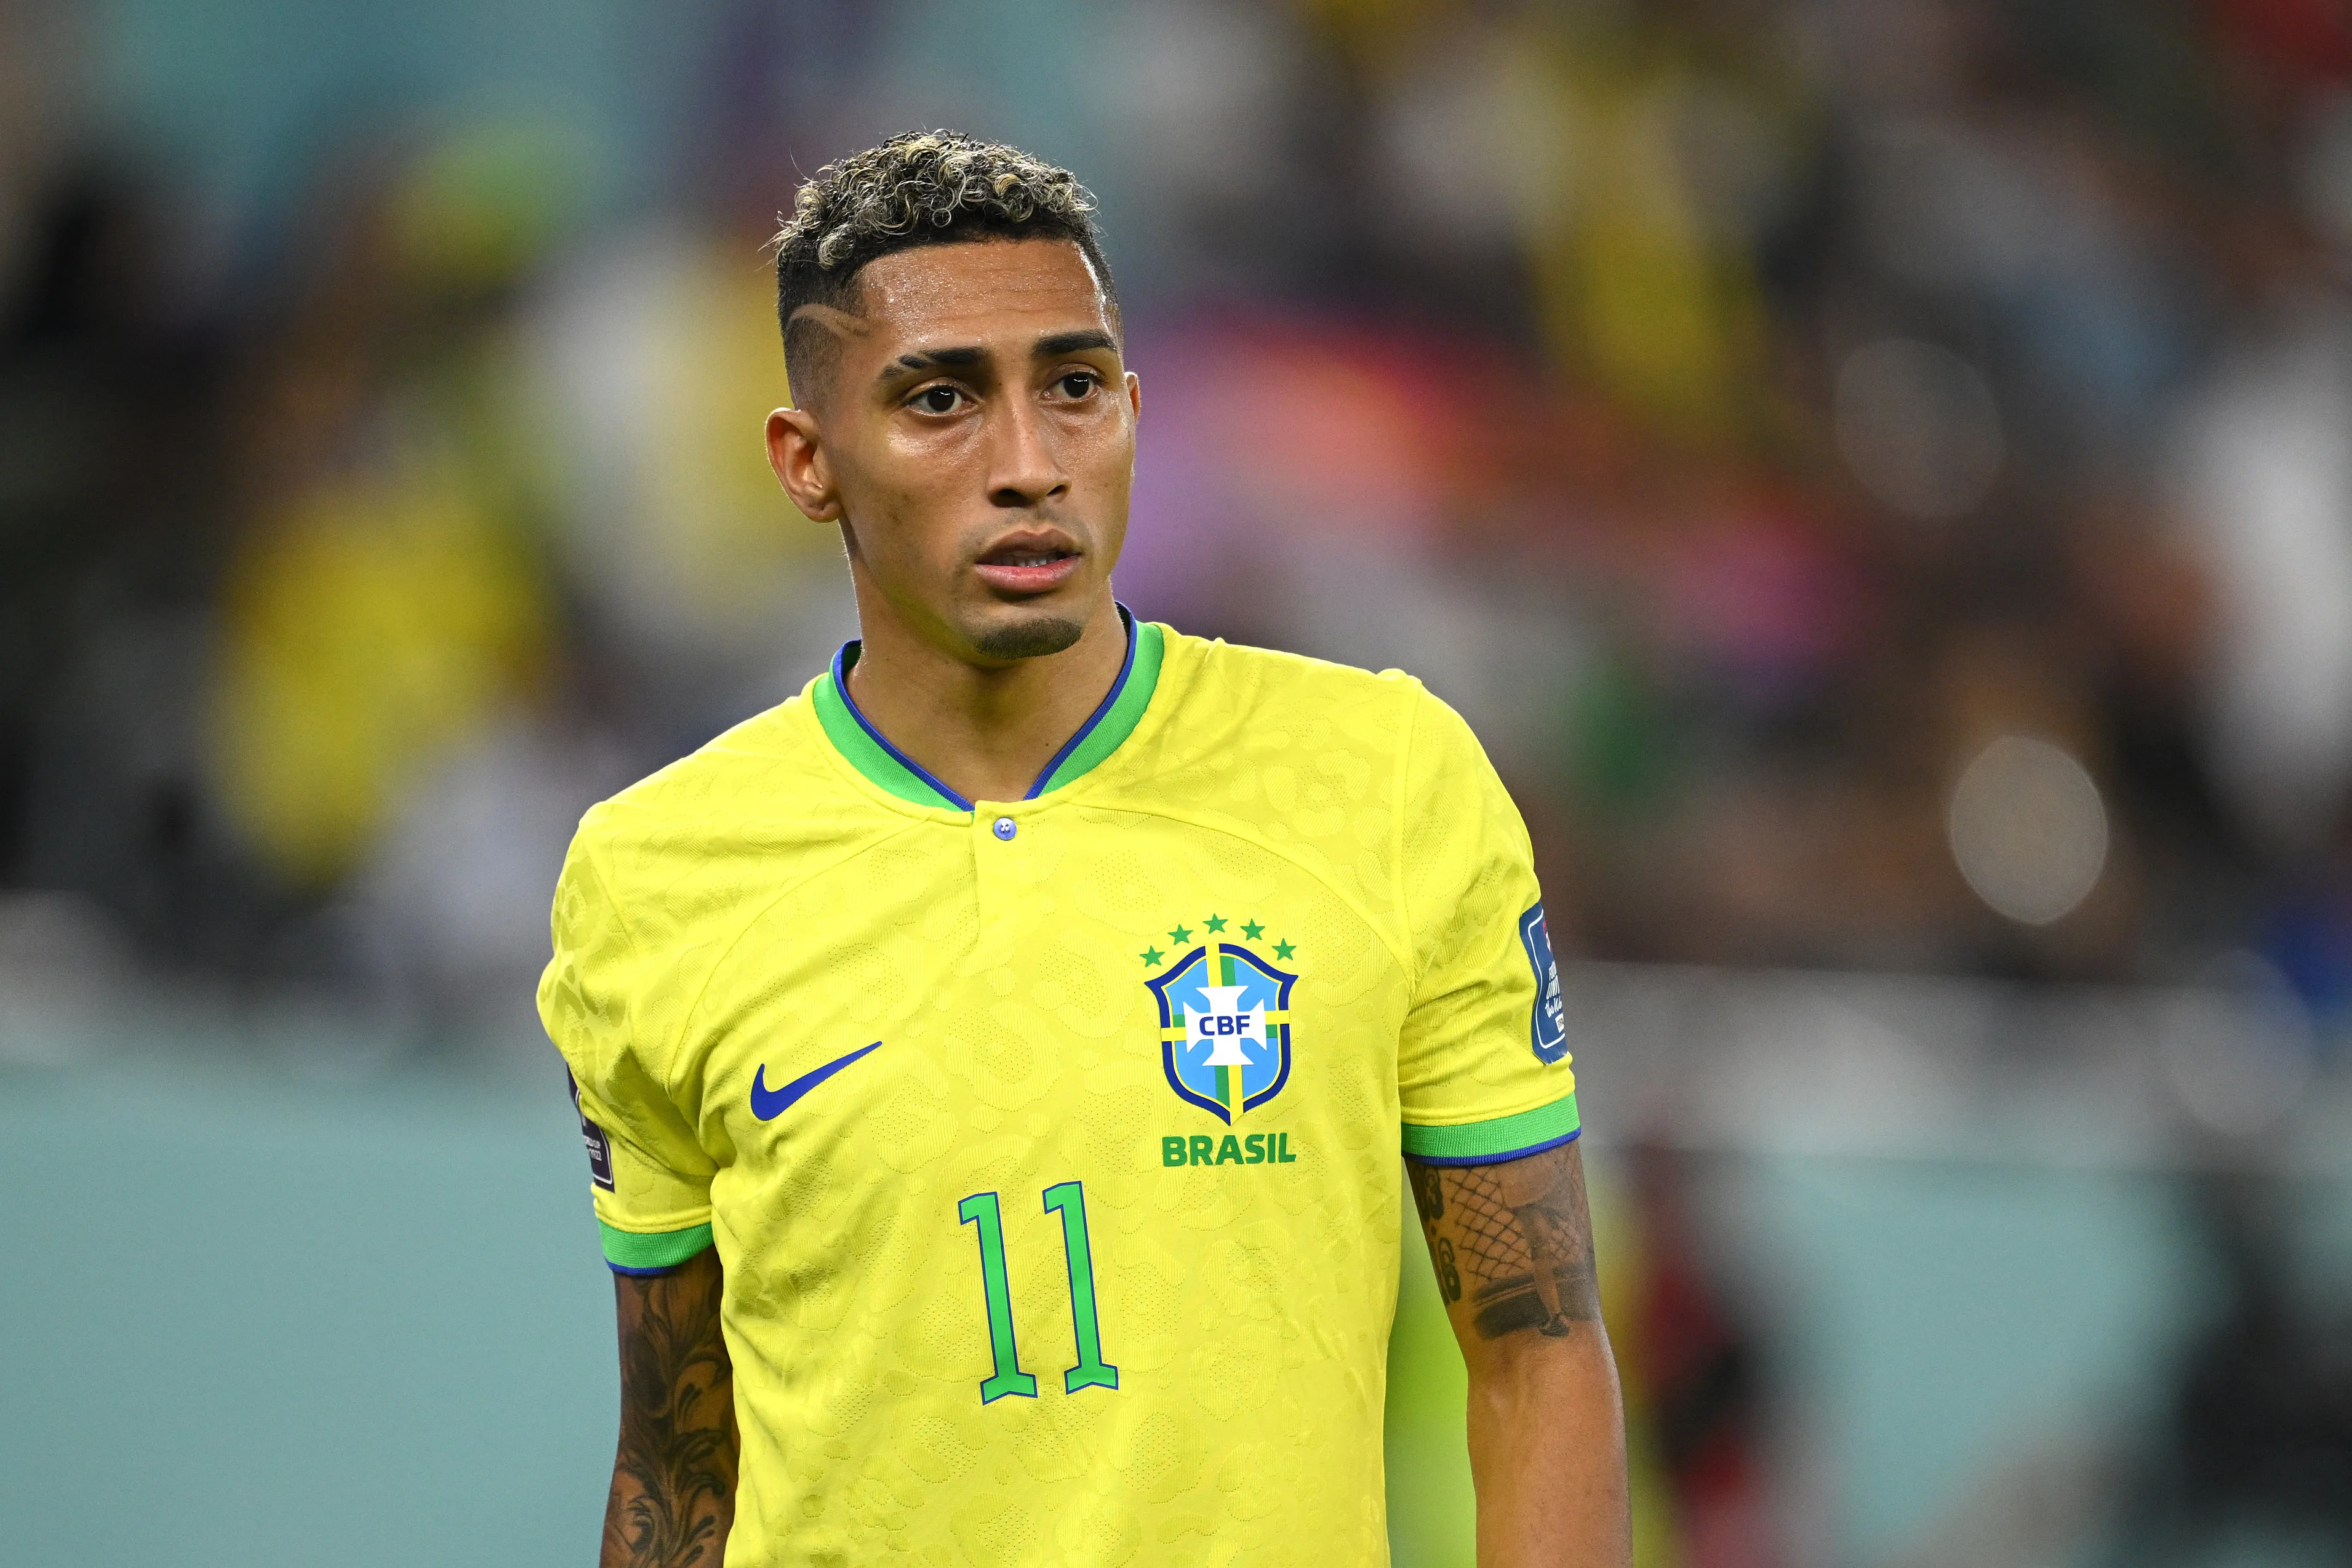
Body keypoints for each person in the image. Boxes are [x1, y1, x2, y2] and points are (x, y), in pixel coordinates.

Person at [539, 129, 1630, 1568]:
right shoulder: (657, 875)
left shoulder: (1384, 781)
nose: (1029, 464)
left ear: (1131, 407)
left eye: (1072, 388)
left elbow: (1537, 1346)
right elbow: (681, 1459)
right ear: (809, 464)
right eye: (940, 400)